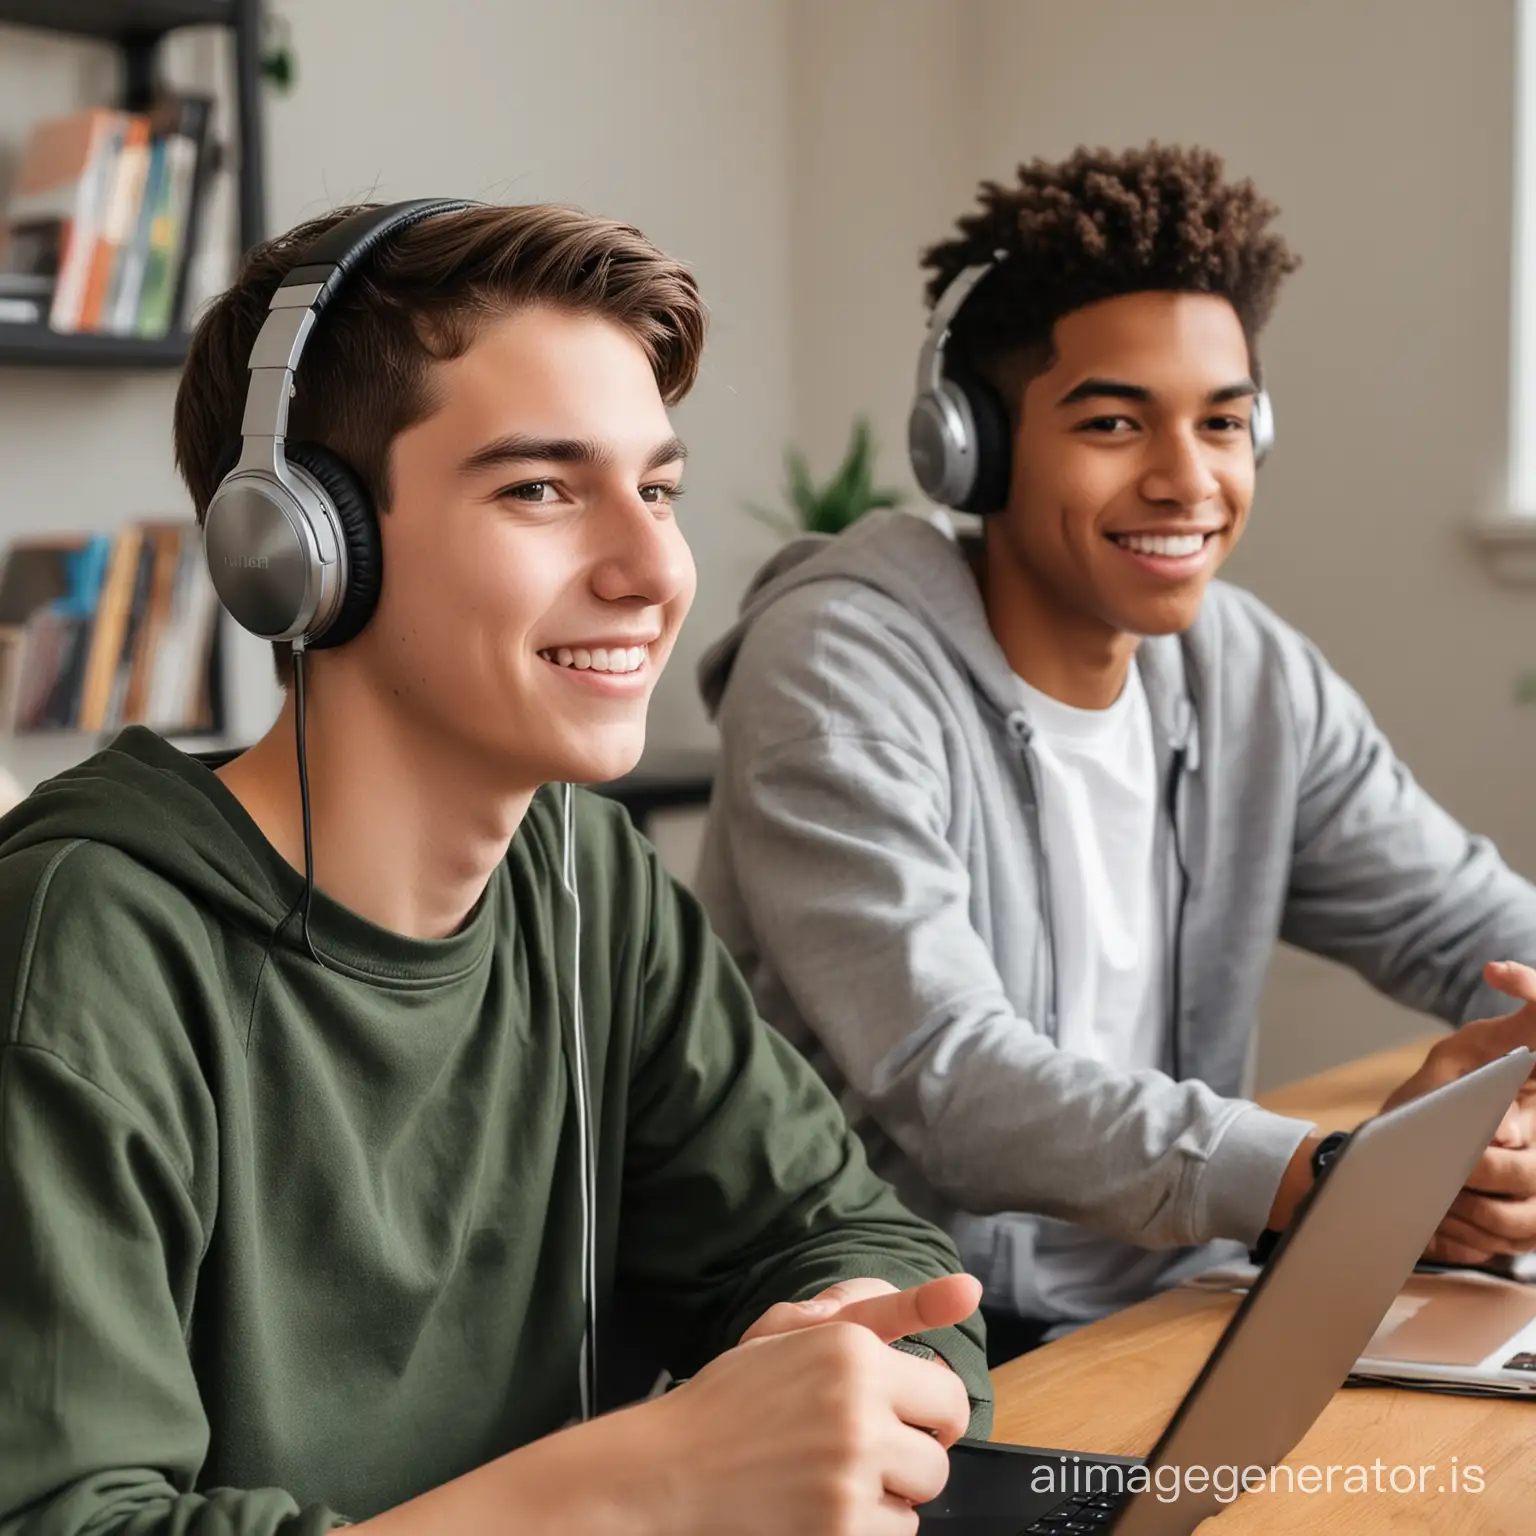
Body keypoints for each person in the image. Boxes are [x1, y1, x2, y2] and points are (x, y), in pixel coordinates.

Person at [0, 199, 992, 1536]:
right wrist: (656, 1481)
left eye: (657, 489)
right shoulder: (87, 940)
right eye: (540, 488)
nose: (654, 569)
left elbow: (852, 1240)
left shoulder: (583, 874)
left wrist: (850, 1382)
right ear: (301, 548)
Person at [693, 143, 1536, 1363]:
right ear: (968, 443)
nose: (1187, 480)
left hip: (1187, 1307)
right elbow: (951, 1076)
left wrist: (1490, 1129)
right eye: (1112, 420)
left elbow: (1470, 924)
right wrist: (1335, 1176)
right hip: (910, 1340)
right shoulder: (837, 668)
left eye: (1225, 422)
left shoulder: (1245, 674)